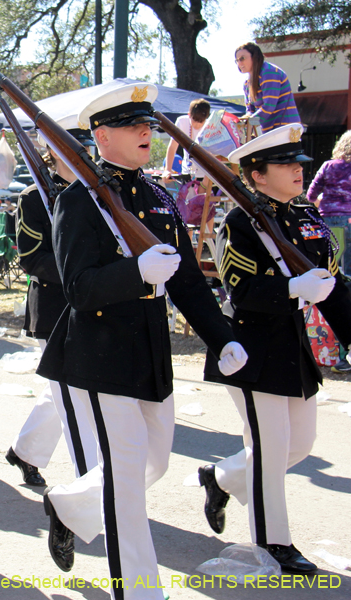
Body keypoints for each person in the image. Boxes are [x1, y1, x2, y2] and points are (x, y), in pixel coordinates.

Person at [39, 83, 247, 599]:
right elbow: (80, 287)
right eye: (132, 126)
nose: (144, 133)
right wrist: (135, 272)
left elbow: (188, 283)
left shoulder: (157, 196)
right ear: (101, 136)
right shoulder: (79, 200)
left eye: (146, 125)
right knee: (127, 478)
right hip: (99, 351)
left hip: (150, 351)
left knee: (154, 461)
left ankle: (68, 506)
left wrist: (222, 338)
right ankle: (137, 589)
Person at [196, 125, 351, 575]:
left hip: (292, 345)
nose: (298, 170)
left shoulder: (306, 213)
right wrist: (289, 288)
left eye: (299, 162)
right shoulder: (240, 222)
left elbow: (331, 286)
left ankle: (220, 478)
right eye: (285, 164)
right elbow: (241, 291)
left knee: (299, 444)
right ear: (257, 175)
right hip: (251, 348)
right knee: (270, 448)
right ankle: (274, 543)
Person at [6, 115, 99, 487]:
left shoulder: (96, 190)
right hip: (55, 307)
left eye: (86, 149)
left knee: (64, 390)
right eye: (76, 150)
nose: (84, 156)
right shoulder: (33, 198)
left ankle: (25, 451)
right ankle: (91, 488)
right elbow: (31, 258)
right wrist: (81, 272)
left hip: (92, 302)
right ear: (53, 153)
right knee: (74, 397)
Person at [307, 130, 351, 373]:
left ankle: (335, 354)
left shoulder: (328, 166)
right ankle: (346, 351)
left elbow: (311, 196)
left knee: (333, 283)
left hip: (329, 227)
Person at [235, 42, 301, 133]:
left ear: (254, 57)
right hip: (269, 133)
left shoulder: (269, 72)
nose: (239, 63)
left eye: (242, 58)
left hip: (286, 131)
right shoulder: (247, 83)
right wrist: (240, 123)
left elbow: (269, 106)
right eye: (237, 60)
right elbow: (250, 110)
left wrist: (248, 123)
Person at [162, 99, 211, 180]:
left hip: (205, 174)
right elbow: (173, 146)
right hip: (187, 172)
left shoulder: (210, 125)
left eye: (201, 121)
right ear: (189, 115)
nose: (197, 124)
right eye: (195, 120)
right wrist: (167, 170)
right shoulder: (181, 121)